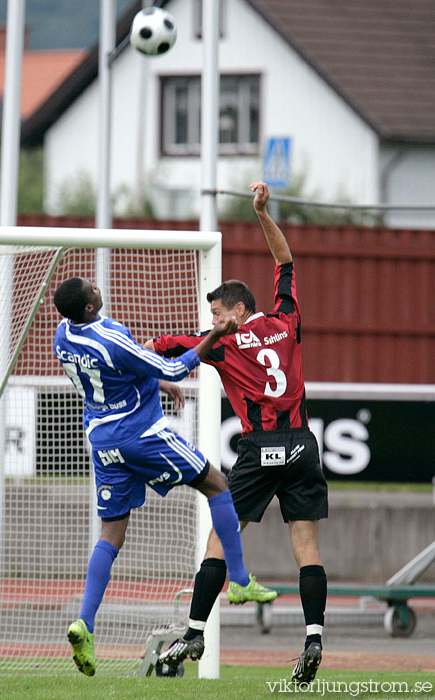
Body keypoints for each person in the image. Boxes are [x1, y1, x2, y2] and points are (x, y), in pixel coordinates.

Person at [147, 182, 328, 685]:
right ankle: (313, 636)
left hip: (258, 449)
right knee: (307, 547)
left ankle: (195, 631)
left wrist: (148, 365)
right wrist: (263, 213)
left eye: (217, 314)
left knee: (218, 542)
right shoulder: (286, 320)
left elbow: (162, 346)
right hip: (303, 447)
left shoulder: (223, 342)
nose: (212, 322)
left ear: (236, 312)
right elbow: (285, 262)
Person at [52, 276, 277, 677]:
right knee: (217, 485)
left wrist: (155, 383)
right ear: (88, 307)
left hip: (102, 441)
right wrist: (215, 336)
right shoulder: (111, 335)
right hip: (140, 435)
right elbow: (176, 364)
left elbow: (110, 375)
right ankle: (240, 579)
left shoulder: (62, 335)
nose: (97, 287)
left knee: (111, 534)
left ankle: (84, 623)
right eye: (92, 289)